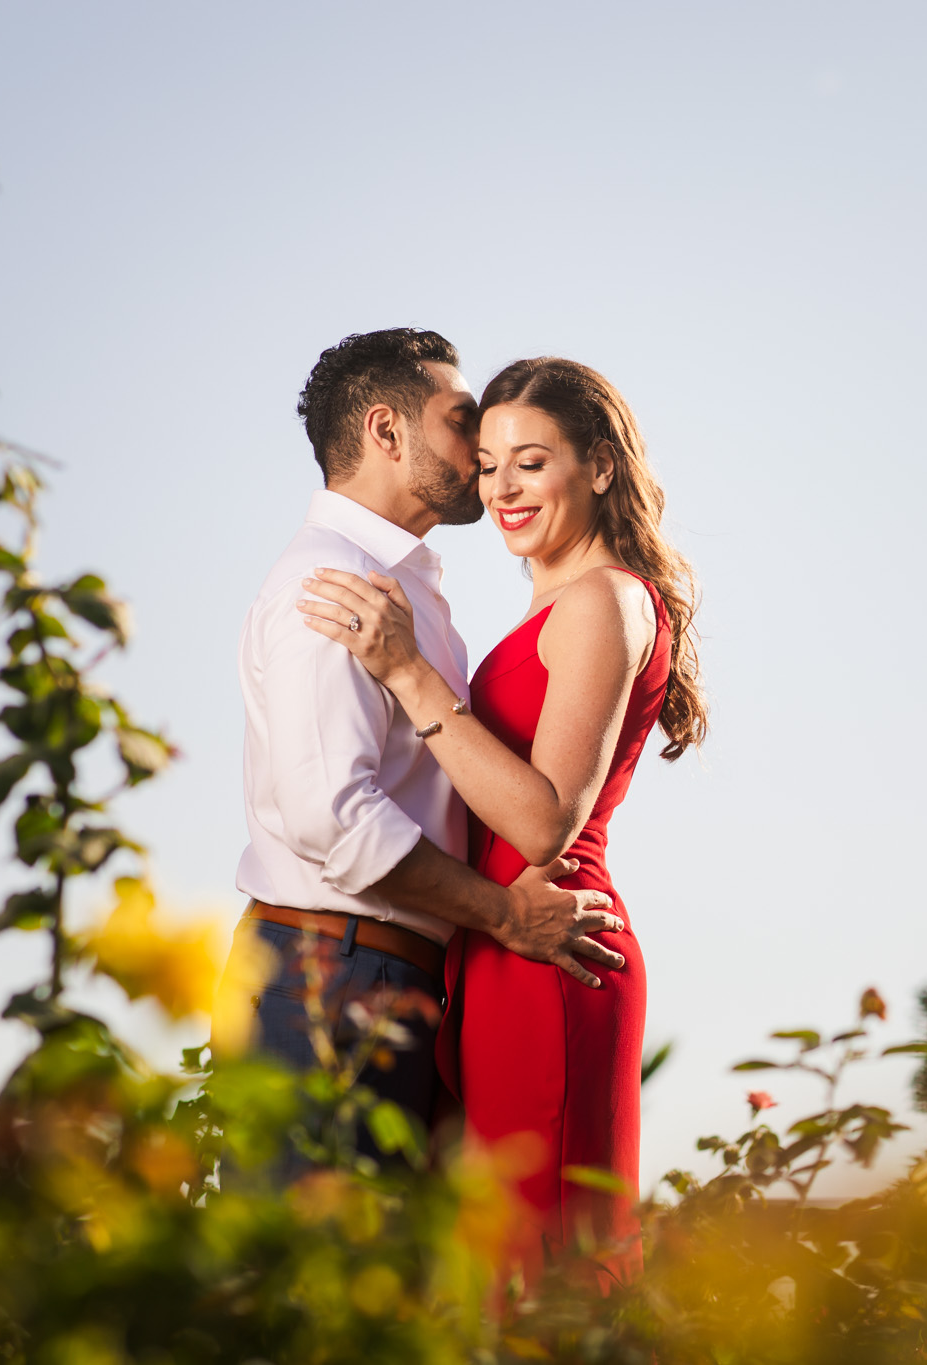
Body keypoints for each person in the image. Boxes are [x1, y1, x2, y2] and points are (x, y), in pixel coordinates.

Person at [298, 356, 704, 1277]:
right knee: (492, 1266)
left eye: (532, 460)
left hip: (554, 945)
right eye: (488, 463)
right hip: (498, 948)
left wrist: (407, 673)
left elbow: (544, 823)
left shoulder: (604, 600)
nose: (503, 488)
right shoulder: (557, 602)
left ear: (600, 466)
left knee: (547, 1260)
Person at [219, 330, 625, 1184]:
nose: (480, 449)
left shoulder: (406, 591)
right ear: (386, 431)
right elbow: (333, 819)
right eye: (461, 420)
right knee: (318, 1294)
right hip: (327, 977)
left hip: (387, 978)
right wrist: (505, 915)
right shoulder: (330, 586)